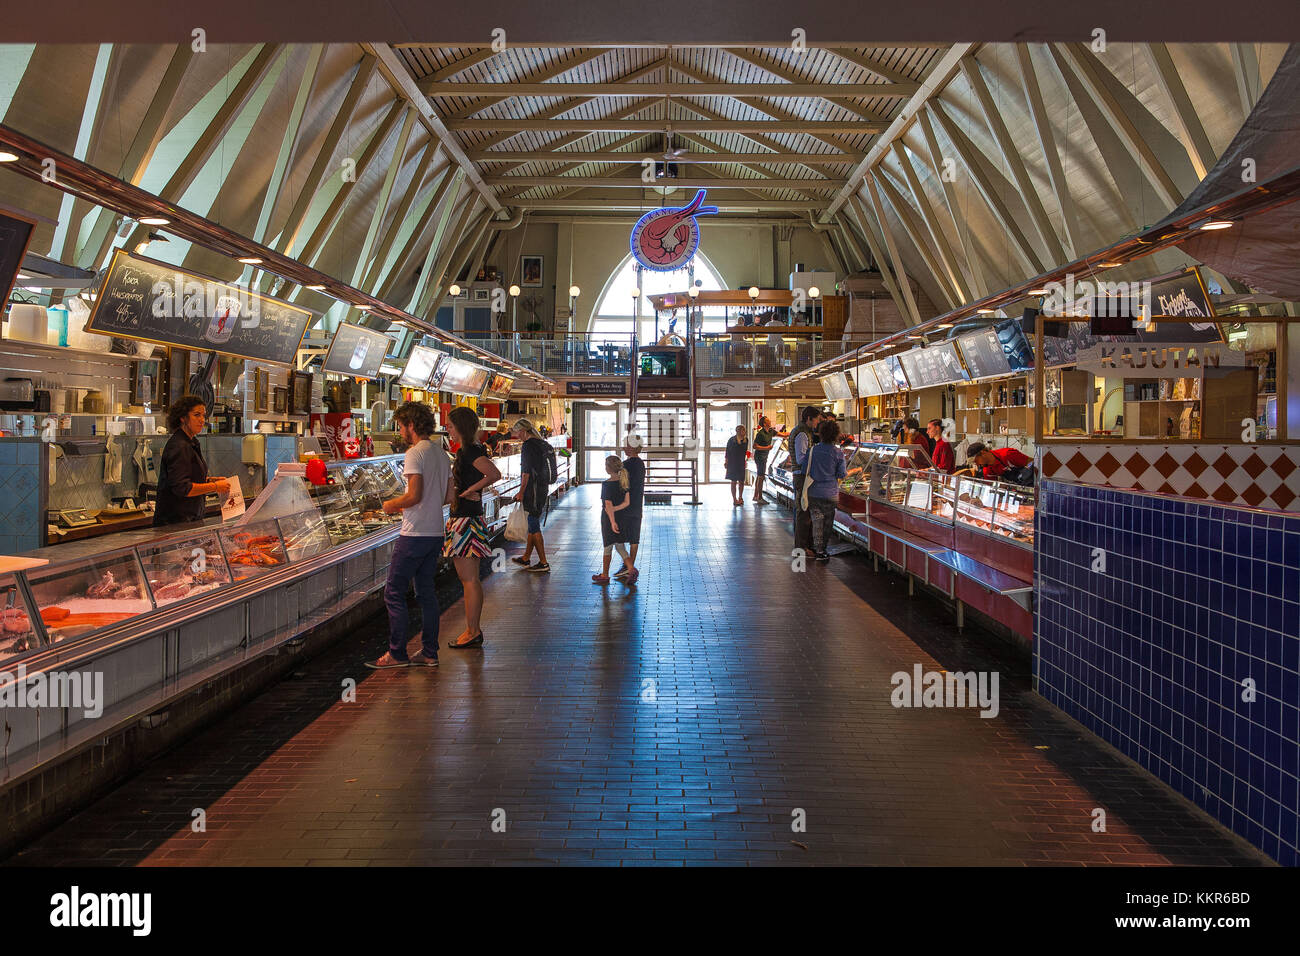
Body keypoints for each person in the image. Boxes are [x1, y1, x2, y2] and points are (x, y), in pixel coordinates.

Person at [366, 402, 451, 669]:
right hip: (435, 531)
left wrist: (390, 505)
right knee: (426, 593)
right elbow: (449, 496)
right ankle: (429, 652)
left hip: (414, 534)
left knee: (394, 592)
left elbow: (413, 496)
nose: (401, 431)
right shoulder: (441, 453)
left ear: (411, 425)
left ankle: (397, 653)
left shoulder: (415, 453)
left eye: (401, 426)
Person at [444, 406, 502, 649]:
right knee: (471, 579)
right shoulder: (473, 449)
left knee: (468, 580)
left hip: (465, 521)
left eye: (450, 425)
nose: (447, 428)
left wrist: (469, 491)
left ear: (461, 427)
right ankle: (472, 629)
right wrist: (476, 489)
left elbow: (494, 473)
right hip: (471, 519)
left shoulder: (468, 452)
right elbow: (489, 476)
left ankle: (472, 631)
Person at [153, 396, 230, 527]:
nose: (202, 420)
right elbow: (182, 488)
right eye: (196, 415)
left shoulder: (191, 442)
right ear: (183, 417)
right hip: (175, 524)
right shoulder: (179, 446)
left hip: (190, 520)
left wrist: (211, 480)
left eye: (203, 415)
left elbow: (190, 478)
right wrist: (216, 487)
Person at [509, 418, 552, 573]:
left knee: (533, 525)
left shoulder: (528, 446)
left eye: (516, 432)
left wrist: (521, 491)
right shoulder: (542, 443)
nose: (516, 435)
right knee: (532, 523)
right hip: (542, 488)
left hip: (532, 490)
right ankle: (526, 558)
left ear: (523, 430)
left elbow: (526, 472)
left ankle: (543, 562)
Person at [805, 418, 847, 563]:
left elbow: (805, 469)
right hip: (830, 493)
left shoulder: (812, 451)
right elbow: (842, 474)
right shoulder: (838, 453)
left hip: (813, 492)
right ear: (836, 434)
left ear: (821, 433)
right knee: (827, 523)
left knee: (817, 521)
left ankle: (818, 549)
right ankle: (823, 549)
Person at [593, 455, 636, 585]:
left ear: (608, 468)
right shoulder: (624, 482)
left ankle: (605, 575)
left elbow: (608, 505)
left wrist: (612, 522)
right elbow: (627, 502)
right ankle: (631, 569)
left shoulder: (606, 485)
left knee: (608, 546)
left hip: (608, 520)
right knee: (620, 546)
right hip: (622, 517)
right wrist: (616, 510)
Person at [789, 406, 823, 552]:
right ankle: (801, 547)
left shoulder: (805, 432)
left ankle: (805, 546)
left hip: (802, 476)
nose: (817, 423)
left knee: (804, 511)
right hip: (801, 476)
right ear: (809, 418)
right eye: (816, 420)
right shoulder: (802, 434)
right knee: (804, 512)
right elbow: (801, 458)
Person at [613, 436, 646, 580]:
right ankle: (629, 565)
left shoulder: (625, 465)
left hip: (624, 506)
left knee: (619, 538)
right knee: (634, 538)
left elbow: (620, 485)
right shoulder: (641, 464)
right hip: (637, 504)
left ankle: (628, 565)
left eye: (626, 445)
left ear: (632, 447)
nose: (623, 447)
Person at [962, 442, 1033, 482]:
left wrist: (1027, 473)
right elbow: (992, 487)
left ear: (983, 453)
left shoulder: (1008, 455)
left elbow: (1033, 463)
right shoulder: (987, 470)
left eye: (976, 461)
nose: (977, 464)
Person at [751, 416, 774, 506]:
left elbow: (782, 434)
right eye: (768, 420)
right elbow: (755, 446)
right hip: (760, 457)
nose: (770, 420)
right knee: (761, 477)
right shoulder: (760, 434)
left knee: (759, 476)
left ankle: (755, 496)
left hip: (764, 457)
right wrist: (767, 448)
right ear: (764, 424)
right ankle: (760, 498)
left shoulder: (771, 431)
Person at [725, 424, 748, 506]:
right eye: (742, 430)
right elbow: (727, 452)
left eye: (744, 430)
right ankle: (734, 499)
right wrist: (726, 462)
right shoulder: (732, 440)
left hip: (741, 462)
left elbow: (744, 452)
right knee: (733, 481)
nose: (744, 432)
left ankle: (740, 497)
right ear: (738, 431)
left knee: (741, 481)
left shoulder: (746, 440)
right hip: (733, 463)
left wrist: (746, 460)